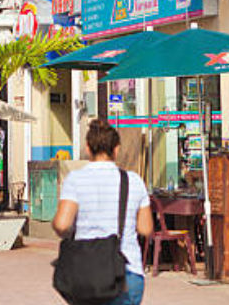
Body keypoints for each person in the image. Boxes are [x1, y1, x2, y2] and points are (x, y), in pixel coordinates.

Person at [52, 120, 153, 305]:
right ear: (116, 149)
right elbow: (146, 229)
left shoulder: (75, 179)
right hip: (127, 271)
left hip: (86, 271)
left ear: (88, 148)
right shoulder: (133, 181)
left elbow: (62, 224)